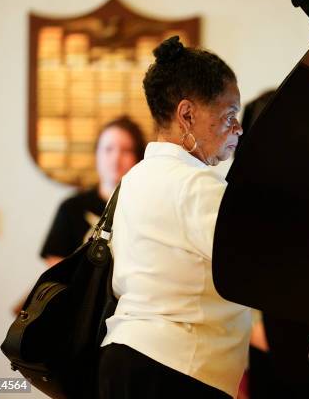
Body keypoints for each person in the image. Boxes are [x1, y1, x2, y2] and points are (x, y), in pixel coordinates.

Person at [98, 36, 249, 399]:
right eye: (229, 115)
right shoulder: (193, 187)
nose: (238, 128)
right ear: (187, 114)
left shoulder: (133, 180)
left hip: (125, 360)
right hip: (175, 370)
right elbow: (268, 262)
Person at [40, 115, 146, 266]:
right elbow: (54, 261)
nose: (116, 157)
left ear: (138, 158)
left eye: (126, 150)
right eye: (108, 149)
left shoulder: (146, 208)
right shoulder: (71, 207)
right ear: (97, 155)